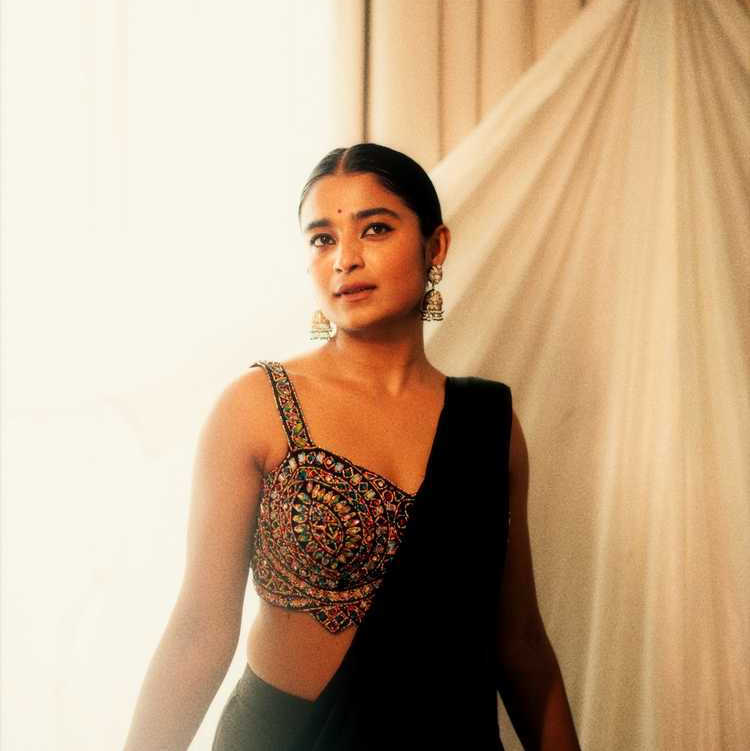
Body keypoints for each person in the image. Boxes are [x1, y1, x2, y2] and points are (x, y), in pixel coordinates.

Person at [123, 143, 581, 750]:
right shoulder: (257, 407)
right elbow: (198, 633)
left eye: (376, 229)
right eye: (322, 239)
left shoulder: (488, 424)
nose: (346, 258)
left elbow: (519, 641)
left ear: (435, 247)